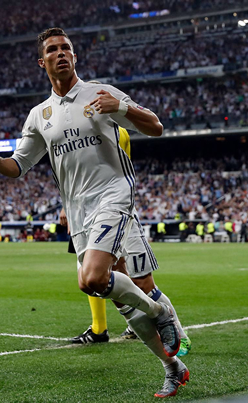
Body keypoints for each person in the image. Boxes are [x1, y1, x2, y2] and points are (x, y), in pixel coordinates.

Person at [0, 27, 188, 398]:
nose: (61, 54)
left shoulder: (100, 93)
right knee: (119, 294)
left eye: (66, 49)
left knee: (92, 279)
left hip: (113, 194)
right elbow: (19, 166)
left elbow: (155, 126)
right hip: (77, 211)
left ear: (74, 57)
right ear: (42, 62)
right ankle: (173, 365)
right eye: (53, 50)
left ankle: (161, 314)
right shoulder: (39, 115)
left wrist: (121, 108)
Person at [67, 126, 191, 358]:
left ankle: (180, 335)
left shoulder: (114, 129)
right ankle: (109, 327)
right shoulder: (73, 130)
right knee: (103, 278)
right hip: (87, 215)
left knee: (143, 281)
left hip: (119, 213)